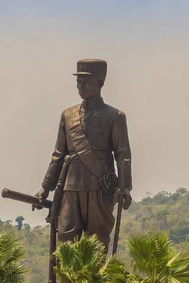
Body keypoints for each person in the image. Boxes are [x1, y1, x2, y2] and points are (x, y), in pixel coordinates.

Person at [36, 58, 132, 251]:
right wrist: (46, 188)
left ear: (100, 83)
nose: (81, 86)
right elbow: (58, 154)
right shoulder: (67, 115)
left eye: (86, 81)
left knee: (96, 243)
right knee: (65, 237)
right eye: (78, 81)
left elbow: (123, 155)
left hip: (100, 187)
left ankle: (95, 282)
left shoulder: (115, 116)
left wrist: (125, 188)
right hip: (70, 187)